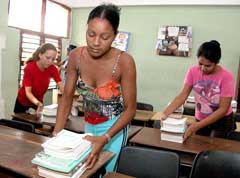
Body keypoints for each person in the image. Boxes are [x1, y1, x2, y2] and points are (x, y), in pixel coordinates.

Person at [53, 3, 136, 172]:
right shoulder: (76, 56)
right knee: (85, 172)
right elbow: (67, 96)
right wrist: (57, 133)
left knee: (105, 172)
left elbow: (130, 110)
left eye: (104, 37)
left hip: (114, 130)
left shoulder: (125, 61)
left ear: (115, 36)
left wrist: (105, 137)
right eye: (91, 34)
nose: (96, 43)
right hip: (89, 126)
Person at [161, 40, 235, 140]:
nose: (203, 68)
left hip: (222, 120)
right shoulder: (193, 71)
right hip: (200, 117)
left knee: (213, 150)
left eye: (208, 65)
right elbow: (182, 96)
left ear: (217, 62)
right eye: (200, 63)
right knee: (199, 147)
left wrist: (197, 125)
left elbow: (223, 109)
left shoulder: (226, 76)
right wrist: (165, 114)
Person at [14, 43, 64, 116]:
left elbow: (61, 85)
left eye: (53, 59)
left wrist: (67, 98)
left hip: (38, 102)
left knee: (38, 125)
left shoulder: (52, 69)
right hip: (23, 102)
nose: (50, 61)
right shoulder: (29, 68)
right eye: (47, 58)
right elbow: (28, 92)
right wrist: (38, 103)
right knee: (23, 126)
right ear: (40, 55)